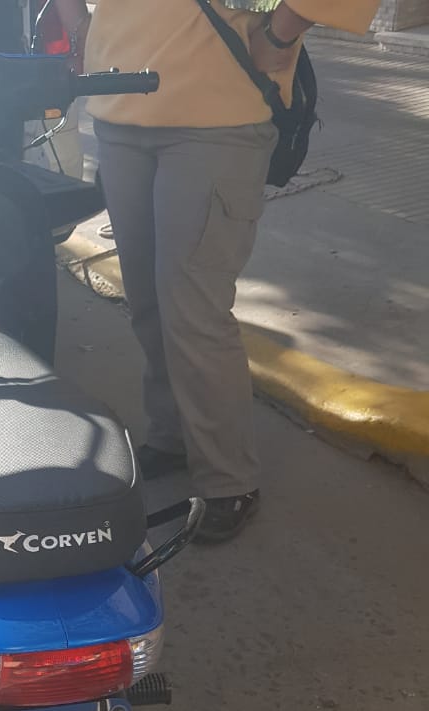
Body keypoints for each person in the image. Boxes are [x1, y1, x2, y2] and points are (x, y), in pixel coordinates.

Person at [54, 0, 379, 541]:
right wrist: (79, 23)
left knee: (193, 309)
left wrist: (281, 34)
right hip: (117, 101)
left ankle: (229, 478)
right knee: (148, 300)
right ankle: (174, 435)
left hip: (215, 114)